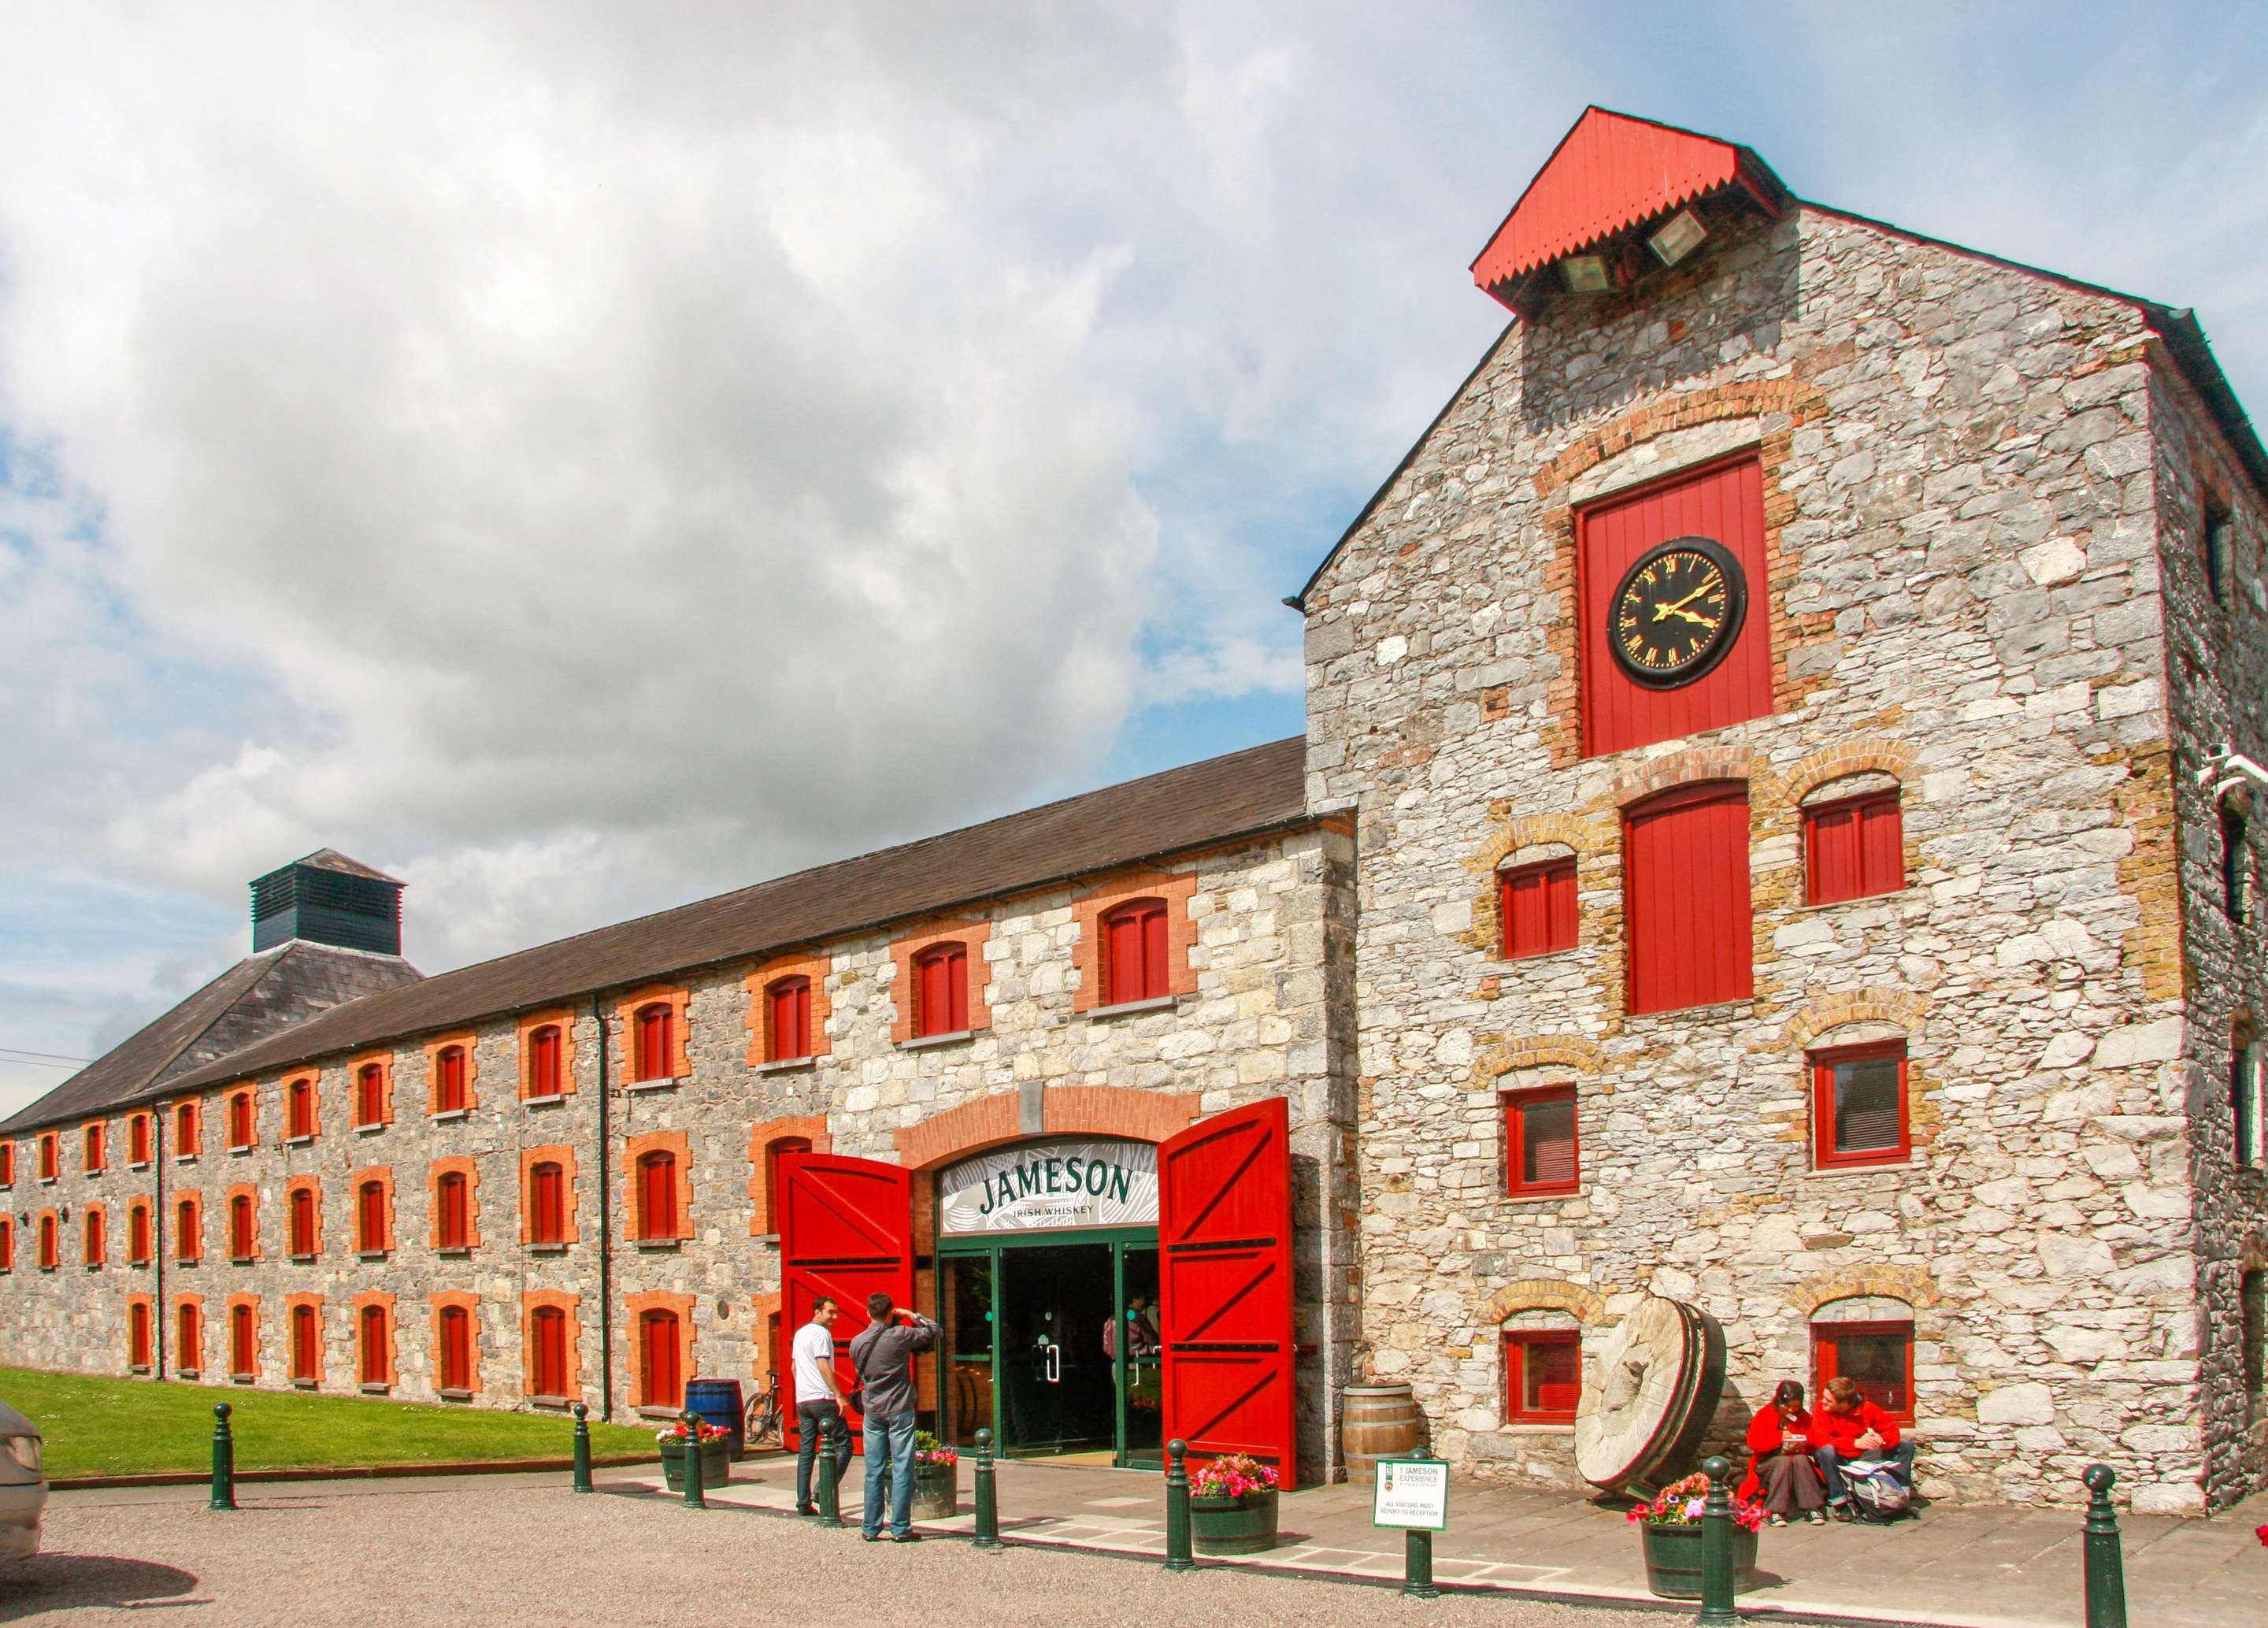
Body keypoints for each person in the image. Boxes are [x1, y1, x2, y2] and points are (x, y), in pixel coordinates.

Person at [848, 1292, 939, 1542]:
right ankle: (900, 1528)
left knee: (873, 1470)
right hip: (899, 1407)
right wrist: (912, 1315)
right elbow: (934, 1331)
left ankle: (870, 1527)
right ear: (890, 1313)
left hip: (873, 1410)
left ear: (868, 1313)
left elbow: (862, 1373)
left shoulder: (857, 1342)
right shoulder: (901, 1335)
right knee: (902, 1467)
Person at [1813, 1374, 1915, 1520]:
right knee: (1826, 1451)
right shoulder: (1821, 1409)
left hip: (1863, 1456)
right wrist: (1855, 1443)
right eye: (1824, 1397)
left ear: (1844, 1404)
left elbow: (1892, 1431)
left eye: (1829, 1400)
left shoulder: (1868, 1409)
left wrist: (1881, 1440)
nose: (1823, 1401)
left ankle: (1900, 1497)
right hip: (1839, 1457)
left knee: (1905, 1445)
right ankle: (1840, 1504)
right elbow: (1819, 1439)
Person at [791, 1295, 849, 1516]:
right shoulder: (821, 1333)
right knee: (844, 1446)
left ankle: (802, 1502)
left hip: (803, 1400)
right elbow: (823, 1364)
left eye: (836, 1312)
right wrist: (838, 1394)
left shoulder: (800, 1333)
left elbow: (794, 1368)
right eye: (830, 1312)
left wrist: (802, 1389)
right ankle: (822, 1491)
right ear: (818, 1312)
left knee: (806, 1451)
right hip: (822, 1399)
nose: (835, 1316)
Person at [1740, 1379, 1828, 1526]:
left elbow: (1814, 1439)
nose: (1791, 1411)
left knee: (1800, 1459)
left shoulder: (1803, 1417)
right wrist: (1780, 1437)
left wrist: (1801, 1444)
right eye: (1788, 1407)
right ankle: (1774, 1511)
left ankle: (1812, 1508)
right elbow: (1754, 1442)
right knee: (1784, 1461)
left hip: (1795, 1459)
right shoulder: (1765, 1414)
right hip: (1768, 1462)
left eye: (1795, 1407)